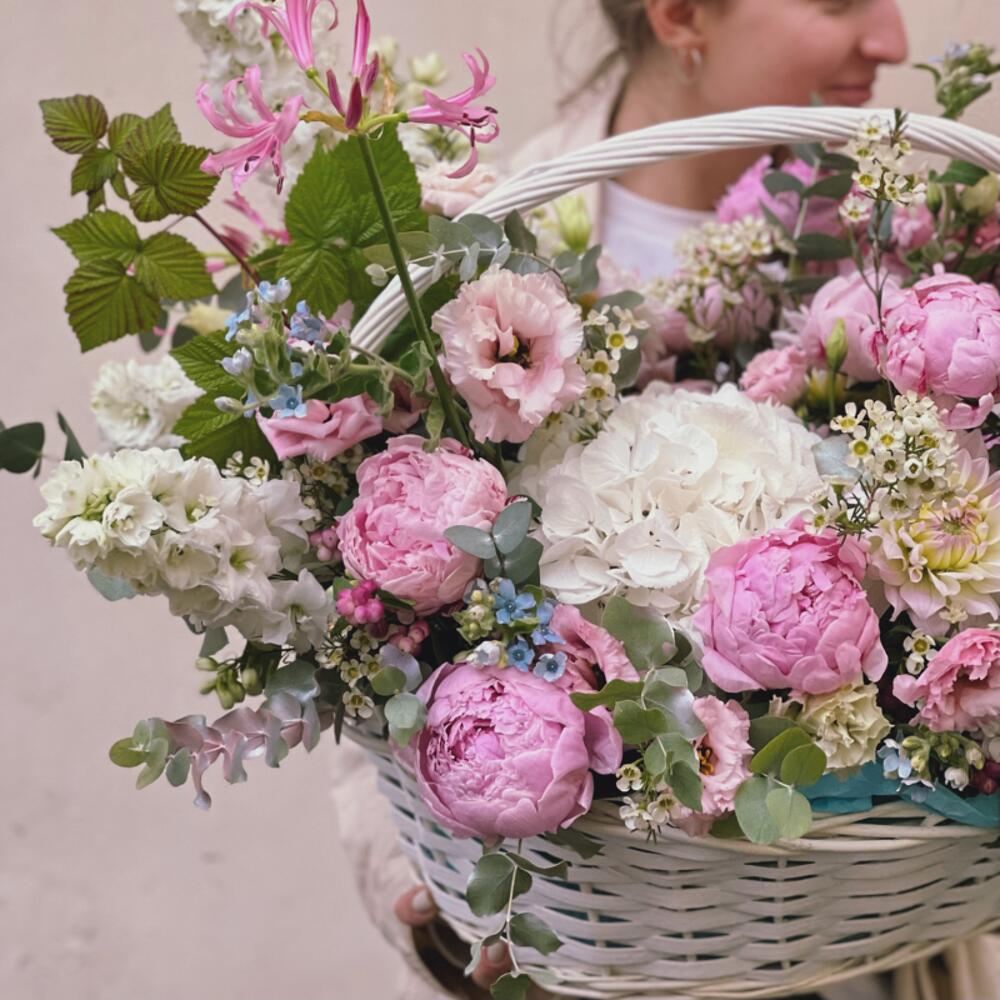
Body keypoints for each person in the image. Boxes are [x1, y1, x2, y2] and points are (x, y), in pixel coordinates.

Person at [332, 2, 1000, 998]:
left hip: (871, 947)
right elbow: (360, 685)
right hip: (587, 945)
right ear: (683, 14)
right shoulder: (475, 258)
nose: (892, 41)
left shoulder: (902, 248)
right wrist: (436, 902)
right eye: (839, 1)